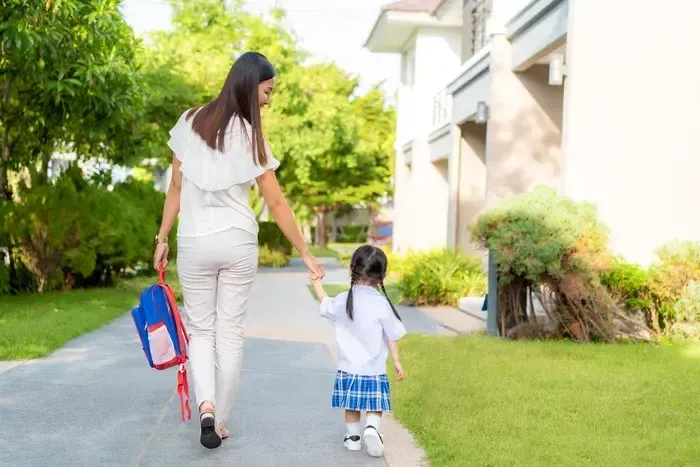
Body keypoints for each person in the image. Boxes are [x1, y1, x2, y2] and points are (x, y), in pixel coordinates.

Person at [153, 51, 325, 449]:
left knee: (200, 332)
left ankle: (206, 407)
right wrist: (304, 252)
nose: (269, 100)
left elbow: (175, 189)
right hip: (237, 242)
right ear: (251, 86)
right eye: (267, 91)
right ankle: (220, 418)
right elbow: (278, 204)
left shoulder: (189, 121)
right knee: (229, 333)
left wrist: (162, 238)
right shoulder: (251, 137)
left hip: (194, 242)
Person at [309, 245, 407, 458]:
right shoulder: (381, 303)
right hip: (374, 368)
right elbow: (392, 336)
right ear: (383, 276)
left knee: (351, 405)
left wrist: (316, 283)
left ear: (351, 270)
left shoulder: (344, 299)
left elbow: (325, 304)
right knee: (374, 404)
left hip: (348, 367)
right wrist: (397, 361)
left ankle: (353, 438)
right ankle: (372, 428)